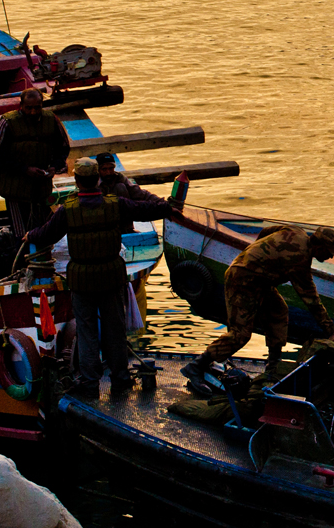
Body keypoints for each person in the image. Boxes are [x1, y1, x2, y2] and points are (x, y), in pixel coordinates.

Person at [24, 162, 212, 394]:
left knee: (87, 330)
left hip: (82, 279)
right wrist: (168, 208)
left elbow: (46, 234)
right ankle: (121, 378)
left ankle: (90, 382)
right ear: (98, 180)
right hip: (111, 277)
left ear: (77, 182)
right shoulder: (115, 204)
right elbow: (144, 209)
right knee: (115, 328)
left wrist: (29, 235)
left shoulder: (67, 209)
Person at [197, 221, 334, 378]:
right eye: (329, 252)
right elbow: (311, 300)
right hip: (243, 280)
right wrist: (332, 332)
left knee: (278, 311)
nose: (330, 257)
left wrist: (259, 254)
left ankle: (273, 366)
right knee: (240, 334)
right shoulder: (299, 258)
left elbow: (266, 231)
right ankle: (198, 365)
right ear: (319, 247)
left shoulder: (296, 230)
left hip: (260, 282)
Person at [0, 89, 71, 236]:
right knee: (21, 234)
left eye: (37, 107)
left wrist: (54, 167)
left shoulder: (51, 119)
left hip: (40, 189)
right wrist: (24, 169)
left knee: (41, 232)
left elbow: (64, 147)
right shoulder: (8, 122)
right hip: (15, 191)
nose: (33, 112)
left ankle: (40, 257)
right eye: (29, 108)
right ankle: (23, 258)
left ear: (42, 105)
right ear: (21, 106)